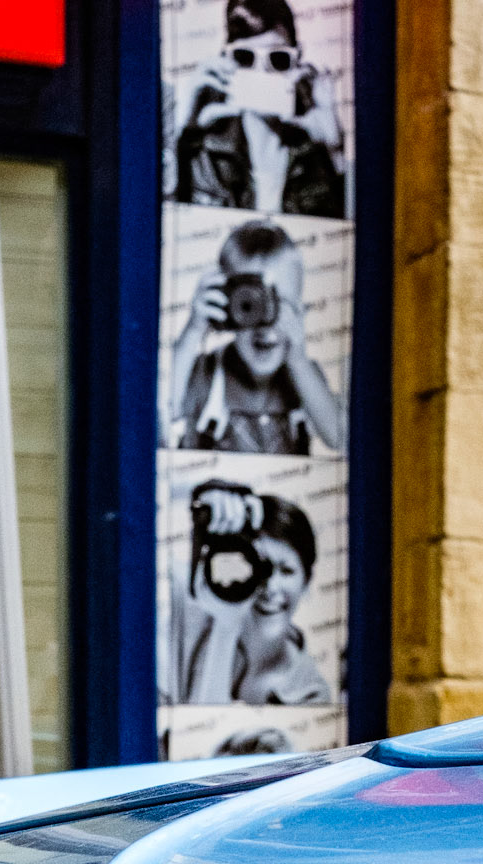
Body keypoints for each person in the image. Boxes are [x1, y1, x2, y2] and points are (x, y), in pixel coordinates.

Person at [170, 220, 344, 454]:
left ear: (301, 312)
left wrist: (299, 361)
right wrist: (193, 330)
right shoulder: (205, 372)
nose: (265, 323)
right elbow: (163, 408)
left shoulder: (304, 376)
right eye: (249, 304)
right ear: (225, 305)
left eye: (278, 303)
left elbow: (338, 437)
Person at [174, 0, 345, 219]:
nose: (261, 72)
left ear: (298, 59)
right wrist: (180, 128)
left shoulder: (317, 150)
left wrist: (336, 152)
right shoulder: (206, 155)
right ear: (226, 59)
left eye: (278, 58)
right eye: (245, 57)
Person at [168, 481, 331, 705]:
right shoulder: (187, 608)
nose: (271, 587)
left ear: (307, 582)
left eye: (287, 571)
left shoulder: (311, 693)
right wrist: (210, 495)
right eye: (262, 567)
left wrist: (228, 624)